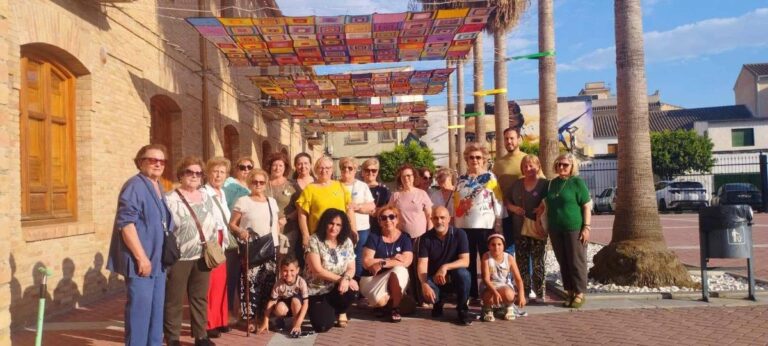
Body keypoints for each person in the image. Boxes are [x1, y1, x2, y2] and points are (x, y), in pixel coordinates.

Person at [107, 144, 174, 346]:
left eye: (161, 161)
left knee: (155, 314)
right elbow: (126, 224)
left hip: (158, 262)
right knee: (140, 314)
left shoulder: (157, 185)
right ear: (140, 162)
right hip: (142, 263)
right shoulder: (134, 185)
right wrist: (141, 257)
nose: (157, 164)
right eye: (152, 160)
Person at [164, 156, 219, 346]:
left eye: (198, 173)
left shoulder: (207, 197)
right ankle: (172, 337)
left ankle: (200, 335)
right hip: (180, 256)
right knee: (174, 298)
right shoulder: (170, 198)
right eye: (190, 172)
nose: (194, 176)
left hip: (203, 255)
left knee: (199, 297)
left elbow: (215, 223)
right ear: (181, 174)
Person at [228, 168, 280, 333]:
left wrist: (278, 242)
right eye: (254, 182)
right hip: (251, 247)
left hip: (271, 248)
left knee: (268, 284)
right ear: (250, 183)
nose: (258, 185)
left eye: (261, 182)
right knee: (249, 285)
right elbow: (232, 224)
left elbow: (276, 224)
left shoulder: (272, 201)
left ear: (265, 184)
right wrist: (240, 232)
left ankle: (262, 317)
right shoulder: (243, 201)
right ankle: (248, 318)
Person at [454, 143, 503, 300]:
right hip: (464, 227)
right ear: (466, 160)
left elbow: (498, 200)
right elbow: (456, 203)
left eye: (478, 157)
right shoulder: (461, 179)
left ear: (483, 160)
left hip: (485, 226)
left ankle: (490, 291)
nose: (474, 160)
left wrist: (499, 222)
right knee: (467, 262)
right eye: (471, 157)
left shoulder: (490, 177)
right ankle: (471, 293)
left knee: (486, 260)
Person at [546, 153, 592, 309]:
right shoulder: (552, 184)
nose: (561, 167)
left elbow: (586, 206)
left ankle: (580, 293)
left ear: (572, 167)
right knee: (563, 261)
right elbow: (546, 204)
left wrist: (586, 227)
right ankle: (570, 291)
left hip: (574, 228)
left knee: (576, 261)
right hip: (555, 228)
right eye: (558, 164)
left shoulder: (577, 183)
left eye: (565, 165)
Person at [418, 206, 474, 326]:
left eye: (442, 218)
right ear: (431, 219)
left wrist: (445, 267)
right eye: (436, 218)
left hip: (454, 276)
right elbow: (422, 264)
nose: (439, 221)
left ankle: (462, 309)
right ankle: (438, 303)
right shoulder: (425, 238)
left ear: (449, 219)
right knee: (426, 292)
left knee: (463, 274)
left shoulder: (460, 234)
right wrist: (424, 284)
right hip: (435, 278)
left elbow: (465, 261)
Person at [305, 209, 358, 332]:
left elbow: (351, 267)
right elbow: (317, 270)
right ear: (325, 223)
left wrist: (347, 279)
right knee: (322, 326)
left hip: (337, 288)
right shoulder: (314, 240)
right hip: (317, 289)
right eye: (331, 223)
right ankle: (325, 309)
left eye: (338, 224)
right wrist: (342, 280)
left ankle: (341, 310)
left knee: (353, 290)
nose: (334, 228)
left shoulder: (347, 241)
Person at [505, 155, 548, 303]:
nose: (528, 169)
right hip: (520, 227)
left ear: (538, 166)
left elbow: (551, 201)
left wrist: (542, 208)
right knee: (522, 262)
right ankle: (525, 292)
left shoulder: (545, 184)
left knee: (538, 261)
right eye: (525, 166)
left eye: (531, 166)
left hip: (538, 228)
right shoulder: (517, 184)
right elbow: (506, 200)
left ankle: (540, 292)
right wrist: (513, 208)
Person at [202, 157, 236, 338]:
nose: (218, 175)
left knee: (221, 283)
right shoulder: (204, 193)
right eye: (215, 171)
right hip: (211, 241)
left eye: (222, 172)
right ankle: (209, 323)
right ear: (208, 173)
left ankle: (221, 319)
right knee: (210, 284)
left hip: (222, 241)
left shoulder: (222, 193)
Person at [360, 206, 413, 323]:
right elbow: (366, 262)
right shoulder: (374, 237)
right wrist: (392, 259)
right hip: (372, 278)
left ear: (397, 219)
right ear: (379, 222)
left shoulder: (405, 238)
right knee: (380, 302)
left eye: (391, 217)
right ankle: (390, 301)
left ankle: (395, 308)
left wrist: (382, 263)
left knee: (399, 270)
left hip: (393, 276)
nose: (388, 220)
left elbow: (407, 261)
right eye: (383, 218)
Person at [296, 156, 354, 253]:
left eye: (327, 168)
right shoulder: (310, 189)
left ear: (332, 170)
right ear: (316, 170)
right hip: (318, 237)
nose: (324, 171)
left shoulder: (340, 186)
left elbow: (349, 210)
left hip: (339, 235)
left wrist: (353, 230)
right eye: (321, 168)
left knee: (339, 265)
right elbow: (302, 215)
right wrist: (305, 235)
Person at [222, 156, 253, 317]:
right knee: (231, 274)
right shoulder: (229, 184)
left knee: (246, 275)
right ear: (236, 168)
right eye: (242, 167)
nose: (246, 170)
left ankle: (242, 310)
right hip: (233, 234)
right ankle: (228, 311)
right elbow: (225, 209)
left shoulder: (252, 186)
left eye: (249, 167)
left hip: (248, 237)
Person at [338, 157, 376, 279]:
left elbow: (371, 206)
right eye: (344, 167)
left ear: (355, 170)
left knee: (358, 257)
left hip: (361, 228)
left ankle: (358, 286)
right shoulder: (335, 185)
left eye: (350, 168)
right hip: (340, 229)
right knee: (342, 257)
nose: (347, 170)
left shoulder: (362, 186)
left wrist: (357, 207)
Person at [493, 128, 527, 252]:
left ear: (519, 139)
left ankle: (527, 272)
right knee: (508, 248)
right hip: (506, 211)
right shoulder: (499, 163)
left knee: (526, 248)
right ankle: (510, 272)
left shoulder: (527, 159)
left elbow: (541, 182)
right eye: (506, 139)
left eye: (512, 138)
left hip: (525, 211)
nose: (509, 141)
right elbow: (494, 188)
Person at [258, 254, 309, 336]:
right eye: (285, 270)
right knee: (279, 307)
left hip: (297, 306)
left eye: (292, 270)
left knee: (295, 301)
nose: (288, 274)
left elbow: (306, 304)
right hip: (285, 307)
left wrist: (298, 323)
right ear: (281, 271)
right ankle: (280, 320)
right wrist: (265, 321)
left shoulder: (301, 282)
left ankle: (296, 324)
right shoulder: (278, 284)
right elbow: (271, 302)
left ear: (297, 270)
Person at [480, 234, 525, 322]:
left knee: (509, 294)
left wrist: (521, 294)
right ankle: (488, 309)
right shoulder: (486, 257)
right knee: (489, 297)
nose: (496, 247)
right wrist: (495, 292)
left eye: (499, 244)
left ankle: (508, 307)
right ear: (488, 246)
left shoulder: (509, 258)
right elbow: (486, 279)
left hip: (504, 286)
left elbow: (518, 279)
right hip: (490, 286)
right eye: (493, 245)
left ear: (504, 246)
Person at [265, 152, 299, 255]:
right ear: (270, 167)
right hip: (267, 231)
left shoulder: (292, 185)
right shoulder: (262, 184)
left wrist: (286, 218)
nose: (277, 168)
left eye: (280, 165)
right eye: (274, 165)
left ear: (285, 168)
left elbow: (300, 209)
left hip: (287, 230)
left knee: (285, 262)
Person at [291, 152, 314, 267]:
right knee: (299, 259)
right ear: (295, 166)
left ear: (310, 165)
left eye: (306, 163)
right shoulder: (290, 184)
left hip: (315, 226)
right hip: (295, 228)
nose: (303, 166)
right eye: (299, 164)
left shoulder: (318, 182)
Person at [361, 158, 391, 234]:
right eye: (367, 170)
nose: (370, 173)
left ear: (377, 172)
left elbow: (389, 208)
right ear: (362, 172)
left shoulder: (384, 190)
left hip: (379, 228)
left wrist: (378, 211)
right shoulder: (358, 188)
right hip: (361, 228)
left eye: (374, 170)